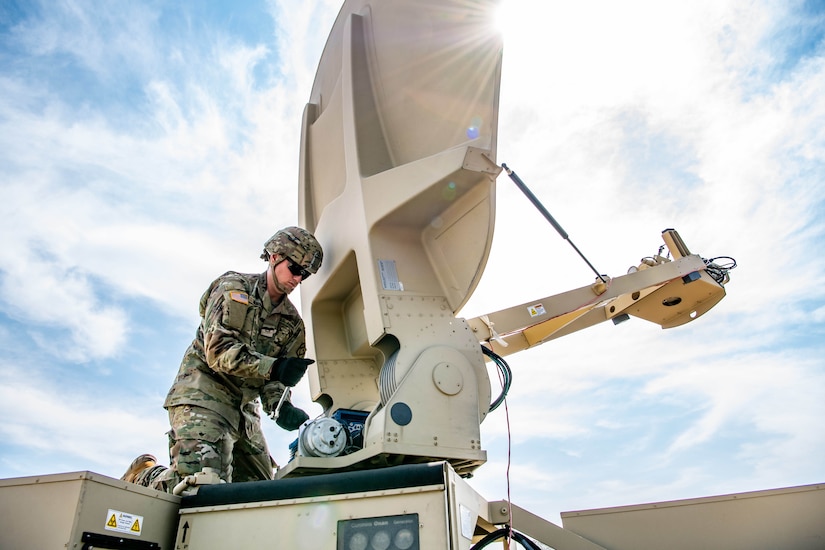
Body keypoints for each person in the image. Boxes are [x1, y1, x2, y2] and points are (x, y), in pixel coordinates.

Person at [130, 226, 323, 492]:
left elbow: (273, 383)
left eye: (305, 275)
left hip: (244, 411)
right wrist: (275, 367)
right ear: (275, 257)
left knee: (261, 493)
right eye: (295, 269)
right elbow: (218, 352)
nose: (298, 279)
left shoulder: (292, 324)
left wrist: (280, 408)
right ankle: (146, 477)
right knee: (201, 485)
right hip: (203, 396)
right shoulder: (232, 289)